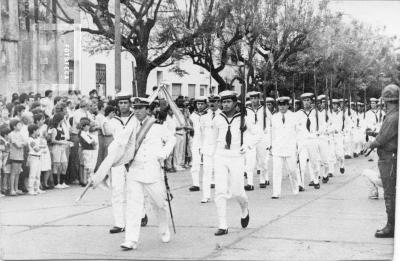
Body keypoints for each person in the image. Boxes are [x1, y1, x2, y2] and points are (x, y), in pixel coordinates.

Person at [120, 97, 176, 250]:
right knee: (133, 206)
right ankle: (131, 240)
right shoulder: (130, 126)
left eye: (140, 108)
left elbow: (172, 139)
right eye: (135, 108)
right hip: (135, 171)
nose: (137, 111)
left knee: (160, 204)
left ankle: (164, 229)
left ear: (147, 109)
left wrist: (163, 153)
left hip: (152, 170)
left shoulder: (157, 125)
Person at [211, 90, 261, 236]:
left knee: (237, 191)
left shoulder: (244, 118)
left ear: (234, 102)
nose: (225, 105)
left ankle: (244, 208)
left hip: (236, 156)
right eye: (223, 102)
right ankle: (223, 225)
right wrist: (212, 154)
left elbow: (258, 134)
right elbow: (213, 139)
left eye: (228, 102)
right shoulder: (217, 118)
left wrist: (247, 145)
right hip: (220, 156)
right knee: (220, 191)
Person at [364, 84, 399, 238]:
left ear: (386, 100)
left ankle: (391, 227)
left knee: (389, 193)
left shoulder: (392, 116)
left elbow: (383, 138)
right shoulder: (393, 115)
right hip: (389, 157)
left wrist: (371, 145)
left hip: (388, 158)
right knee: (390, 193)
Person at [108, 93, 137, 234]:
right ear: (117, 105)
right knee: (117, 190)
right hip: (118, 159)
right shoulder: (113, 121)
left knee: (134, 189)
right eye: (121, 103)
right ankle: (119, 223)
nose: (124, 105)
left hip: (133, 158)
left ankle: (141, 214)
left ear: (130, 104)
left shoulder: (136, 118)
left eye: (126, 103)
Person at [271, 96, 300, 198]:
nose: (282, 107)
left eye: (284, 105)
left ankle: (295, 187)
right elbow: (272, 133)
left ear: (288, 105)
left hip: (290, 147)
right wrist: (271, 146)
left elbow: (298, 132)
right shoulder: (274, 117)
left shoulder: (294, 116)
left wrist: (297, 146)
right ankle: (276, 192)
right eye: (280, 105)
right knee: (276, 171)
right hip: (278, 148)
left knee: (292, 170)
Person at [244, 91, 272, 190]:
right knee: (249, 160)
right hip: (251, 137)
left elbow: (271, 121)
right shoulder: (246, 110)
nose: (254, 100)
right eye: (252, 98)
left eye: (256, 98)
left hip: (261, 137)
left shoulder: (264, 109)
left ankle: (263, 179)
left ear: (259, 99)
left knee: (262, 161)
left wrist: (267, 132)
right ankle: (250, 183)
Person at [199, 95, 221, 203]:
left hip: (219, 149)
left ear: (218, 102)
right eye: (210, 101)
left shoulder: (222, 115)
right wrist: (201, 148)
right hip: (207, 148)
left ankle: (220, 194)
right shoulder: (203, 117)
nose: (212, 103)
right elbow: (202, 133)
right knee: (207, 173)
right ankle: (206, 195)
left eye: (214, 101)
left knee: (220, 173)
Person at [188, 96, 208, 192]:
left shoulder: (209, 115)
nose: (199, 106)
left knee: (208, 162)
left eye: (201, 104)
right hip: (196, 141)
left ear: (205, 104)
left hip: (207, 141)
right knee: (195, 162)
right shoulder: (193, 115)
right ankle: (195, 184)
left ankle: (211, 181)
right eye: (198, 104)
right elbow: (191, 127)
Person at [50, 113, 71, 189]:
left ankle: (62, 182)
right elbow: (53, 140)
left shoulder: (61, 129)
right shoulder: (54, 129)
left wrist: (67, 142)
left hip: (62, 148)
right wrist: (62, 142)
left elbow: (63, 138)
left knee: (64, 164)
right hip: (56, 148)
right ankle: (56, 183)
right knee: (56, 165)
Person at [8, 119, 26, 196]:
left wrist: (21, 143)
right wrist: (22, 143)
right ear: (14, 126)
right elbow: (17, 145)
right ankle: (12, 189)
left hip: (20, 156)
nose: (20, 126)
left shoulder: (20, 134)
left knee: (18, 172)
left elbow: (25, 142)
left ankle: (16, 189)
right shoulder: (11, 134)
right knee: (13, 173)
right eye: (18, 125)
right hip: (14, 156)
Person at [79, 117, 97, 186]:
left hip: (91, 150)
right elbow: (90, 141)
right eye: (87, 125)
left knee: (91, 165)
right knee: (87, 166)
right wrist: (93, 141)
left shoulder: (87, 133)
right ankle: (85, 181)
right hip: (86, 150)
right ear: (84, 126)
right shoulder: (82, 133)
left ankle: (90, 180)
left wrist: (93, 141)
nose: (89, 127)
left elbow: (94, 140)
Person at [27, 124, 43, 195]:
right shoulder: (30, 139)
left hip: (39, 157)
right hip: (33, 157)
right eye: (37, 130)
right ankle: (31, 189)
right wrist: (41, 147)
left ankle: (37, 188)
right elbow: (36, 149)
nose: (38, 131)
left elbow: (41, 146)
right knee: (32, 174)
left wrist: (41, 147)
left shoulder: (37, 139)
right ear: (34, 131)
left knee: (38, 174)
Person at [0, 125, 11, 196]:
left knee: (3, 175)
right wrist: (7, 147)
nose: (9, 136)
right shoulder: (1, 140)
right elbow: (3, 149)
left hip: (3, 160)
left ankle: (3, 189)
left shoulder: (5, 140)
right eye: (8, 134)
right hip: (2, 159)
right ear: (5, 135)